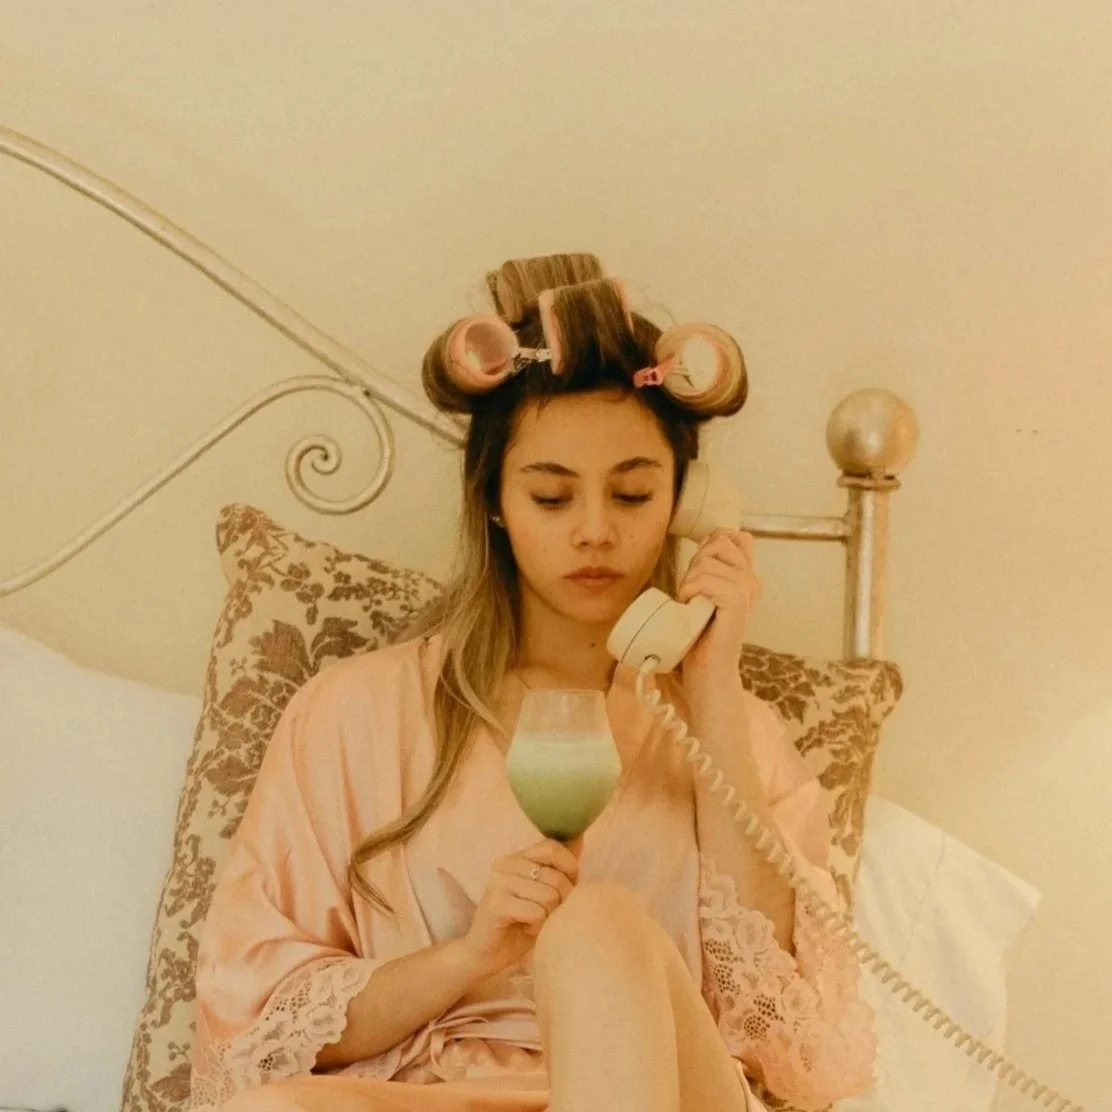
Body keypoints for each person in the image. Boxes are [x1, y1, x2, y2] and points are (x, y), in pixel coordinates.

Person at [188, 253, 878, 1112]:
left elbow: (783, 1042)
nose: (594, 532)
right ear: (495, 501)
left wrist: (713, 688)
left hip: (665, 1092)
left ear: (686, 502)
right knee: (267, 1111)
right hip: (447, 1094)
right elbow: (254, 1027)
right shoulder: (352, 714)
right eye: (552, 499)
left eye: (631, 495)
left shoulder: (730, 730)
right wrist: (471, 955)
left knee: (594, 922)